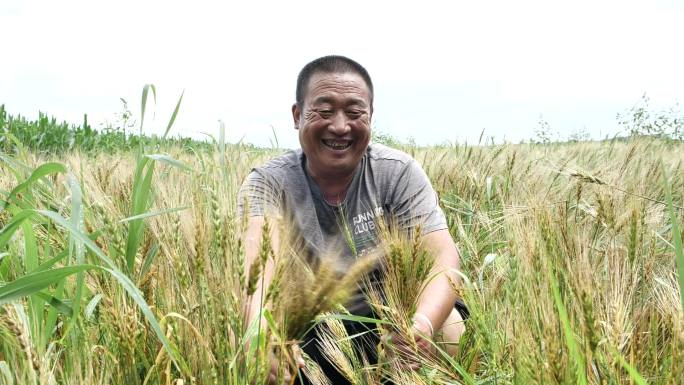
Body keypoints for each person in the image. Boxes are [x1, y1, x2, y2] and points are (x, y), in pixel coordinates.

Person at [239, 55, 467, 385]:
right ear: (297, 115)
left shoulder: (397, 173)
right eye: (325, 111)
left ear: (371, 117)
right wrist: (261, 334)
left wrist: (422, 326)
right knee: (247, 342)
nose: (340, 126)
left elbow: (443, 260)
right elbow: (255, 270)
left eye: (355, 112)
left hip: (389, 326)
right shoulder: (268, 183)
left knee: (448, 328)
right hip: (307, 330)